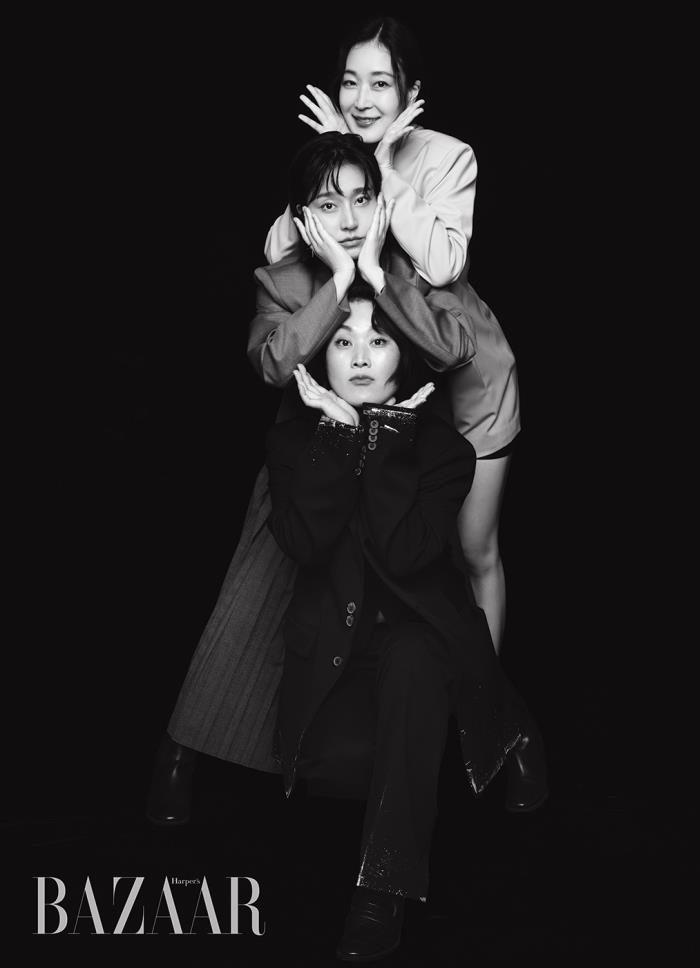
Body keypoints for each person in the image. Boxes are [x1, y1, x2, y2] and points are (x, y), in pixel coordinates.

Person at [146, 132, 490, 824]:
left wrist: (379, 274)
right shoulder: (285, 280)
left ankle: (482, 739)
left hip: (396, 464)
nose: (350, 218)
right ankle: (180, 754)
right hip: (310, 461)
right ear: (303, 216)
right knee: (252, 605)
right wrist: (336, 280)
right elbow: (274, 363)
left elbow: (454, 349)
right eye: (329, 204)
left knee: (411, 611)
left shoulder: (411, 269)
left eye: (362, 198)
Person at [266, 290, 545, 961]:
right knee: (334, 770)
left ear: (405, 359)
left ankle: (379, 895)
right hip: (339, 650)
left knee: (416, 662)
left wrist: (386, 441)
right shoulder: (292, 441)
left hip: (421, 636)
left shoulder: (444, 450)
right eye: (343, 342)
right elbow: (305, 544)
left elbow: (404, 554)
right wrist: (338, 439)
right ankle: (509, 720)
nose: (361, 357)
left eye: (379, 341)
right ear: (322, 358)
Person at [265, 16, 520, 657]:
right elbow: (276, 252)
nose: (362, 100)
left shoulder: (448, 156)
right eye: (350, 82)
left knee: (473, 550)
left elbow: (442, 265)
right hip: (391, 374)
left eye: (381, 83)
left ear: (411, 92)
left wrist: (378, 163)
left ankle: (487, 701)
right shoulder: (335, 157)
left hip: (466, 374)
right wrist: (337, 157)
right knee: (398, 552)